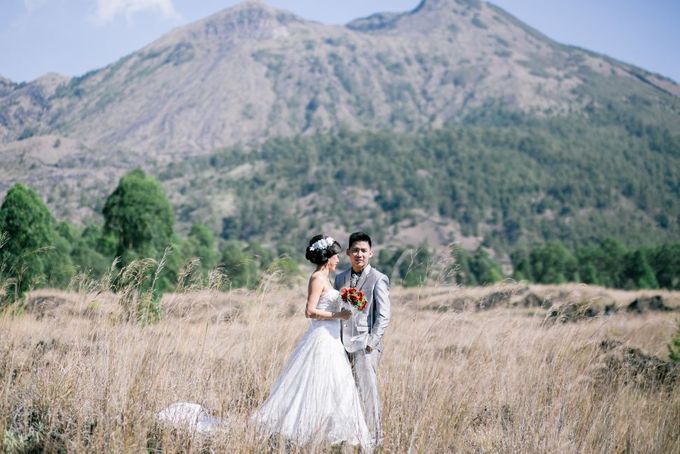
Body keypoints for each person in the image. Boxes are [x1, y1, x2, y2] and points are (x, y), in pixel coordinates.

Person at [251, 235, 372, 450]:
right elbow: (309, 311)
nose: (338, 260)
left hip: (333, 339)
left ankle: (328, 432)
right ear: (327, 258)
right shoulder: (317, 278)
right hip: (322, 338)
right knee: (315, 383)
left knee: (336, 386)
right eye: (335, 256)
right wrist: (338, 315)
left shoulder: (327, 279)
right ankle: (304, 431)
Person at [334, 231, 391, 445]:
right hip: (341, 346)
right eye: (355, 250)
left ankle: (375, 440)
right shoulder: (340, 278)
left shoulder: (378, 279)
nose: (360, 254)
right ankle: (353, 437)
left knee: (368, 394)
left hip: (366, 346)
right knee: (346, 393)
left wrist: (371, 342)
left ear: (371, 253)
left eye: (364, 251)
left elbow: (384, 315)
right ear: (348, 253)